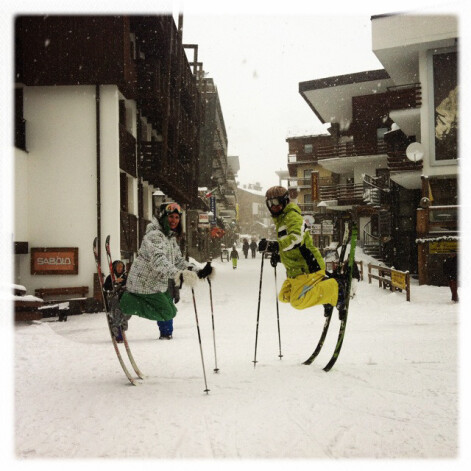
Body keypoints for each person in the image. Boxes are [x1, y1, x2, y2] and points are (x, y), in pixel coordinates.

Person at [119, 202, 214, 340]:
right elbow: (159, 262)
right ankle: (123, 304)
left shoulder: (169, 238)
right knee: (167, 313)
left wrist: (198, 271)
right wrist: (178, 274)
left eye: (177, 217)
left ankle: (164, 332)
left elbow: (178, 261)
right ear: (163, 217)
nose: (174, 220)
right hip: (144, 283)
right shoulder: (154, 236)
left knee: (171, 310)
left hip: (158, 283)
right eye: (171, 217)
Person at [258, 186, 344, 318]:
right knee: (284, 296)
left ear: (285, 201)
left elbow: (296, 240)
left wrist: (274, 246)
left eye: (276, 202)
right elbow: (292, 250)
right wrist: (279, 256)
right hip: (296, 271)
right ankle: (324, 296)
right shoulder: (281, 220)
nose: (273, 206)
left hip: (309, 267)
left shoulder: (292, 216)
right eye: (270, 203)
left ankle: (335, 288)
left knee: (298, 301)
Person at [104, 260, 127, 342]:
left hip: (124, 300)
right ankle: (118, 334)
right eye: (118, 266)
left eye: (121, 266)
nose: (120, 268)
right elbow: (106, 287)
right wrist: (115, 282)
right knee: (116, 315)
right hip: (113, 300)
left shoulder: (125, 277)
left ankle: (122, 327)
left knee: (124, 315)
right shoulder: (110, 277)